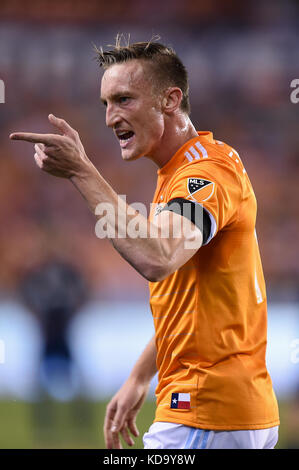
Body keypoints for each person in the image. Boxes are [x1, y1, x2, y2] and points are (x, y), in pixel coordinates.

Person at [9, 37, 280, 449]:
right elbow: (189, 301)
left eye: (123, 99)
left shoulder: (203, 175)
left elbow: (157, 258)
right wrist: (139, 375)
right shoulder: (181, 172)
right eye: (105, 104)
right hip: (220, 410)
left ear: (170, 100)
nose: (109, 117)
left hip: (206, 411)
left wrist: (82, 171)